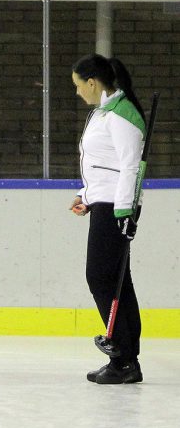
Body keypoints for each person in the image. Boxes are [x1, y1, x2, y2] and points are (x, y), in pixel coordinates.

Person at [69, 53, 146, 385]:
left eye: (78, 86)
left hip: (117, 206)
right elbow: (103, 166)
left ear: (92, 82)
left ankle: (123, 356)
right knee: (115, 281)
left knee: (100, 278)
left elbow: (131, 167)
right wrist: (86, 196)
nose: (77, 93)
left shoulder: (122, 115)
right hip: (105, 203)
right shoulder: (104, 114)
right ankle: (127, 359)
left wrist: (125, 211)